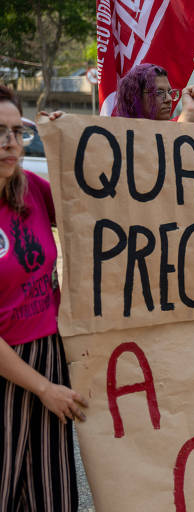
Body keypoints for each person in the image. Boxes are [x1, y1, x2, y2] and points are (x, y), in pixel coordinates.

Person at [0, 85, 88, 510]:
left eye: (17, 132)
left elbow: (101, 206)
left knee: (50, 493)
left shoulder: (31, 188)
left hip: (49, 356)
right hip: (10, 372)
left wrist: (68, 141)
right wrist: (43, 389)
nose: (10, 144)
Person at [114, 63, 194, 122]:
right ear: (135, 97)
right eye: (159, 92)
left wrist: (191, 111)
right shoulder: (120, 138)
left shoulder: (178, 124)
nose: (169, 99)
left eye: (170, 92)